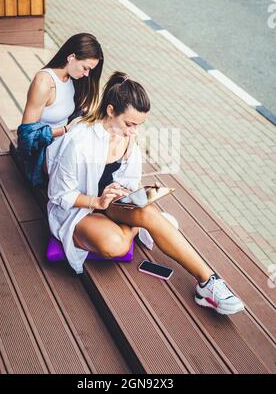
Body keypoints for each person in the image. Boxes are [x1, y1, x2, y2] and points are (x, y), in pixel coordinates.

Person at [46, 71, 245, 316]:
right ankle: (142, 228)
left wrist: (131, 196)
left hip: (110, 203)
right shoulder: (80, 142)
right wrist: (98, 201)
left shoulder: (128, 138)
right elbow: (58, 195)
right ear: (110, 111)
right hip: (79, 208)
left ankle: (209, 282)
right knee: (115, 244)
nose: (134, 131)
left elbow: (128, 181)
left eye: (139, 125)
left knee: (148, 212)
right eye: (129, 124)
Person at [16, 33, 103, 186]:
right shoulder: (44, 82)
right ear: (71, 57)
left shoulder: (71, 79)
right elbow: (26, 137)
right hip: (42, 153)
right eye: (85, 68)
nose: (87, 74)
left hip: (65, 142)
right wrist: (64, 129)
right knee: (86, 171)